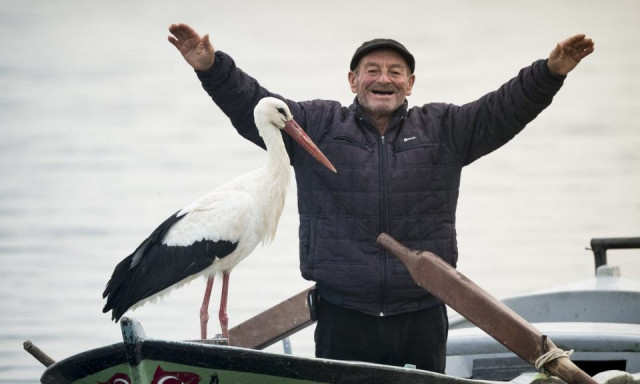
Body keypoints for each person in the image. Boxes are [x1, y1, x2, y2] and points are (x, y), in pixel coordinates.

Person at [168, 23, 594, 372]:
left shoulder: (444, 128)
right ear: (352, 80)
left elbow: (503, 109)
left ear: (410, 83)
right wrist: (211, 67)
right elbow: (254, 106)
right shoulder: (317, 124)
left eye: (395, 71)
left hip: (422, 312)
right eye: (371, 70)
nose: (383, 78)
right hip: (342, 315)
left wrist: (550, 72)